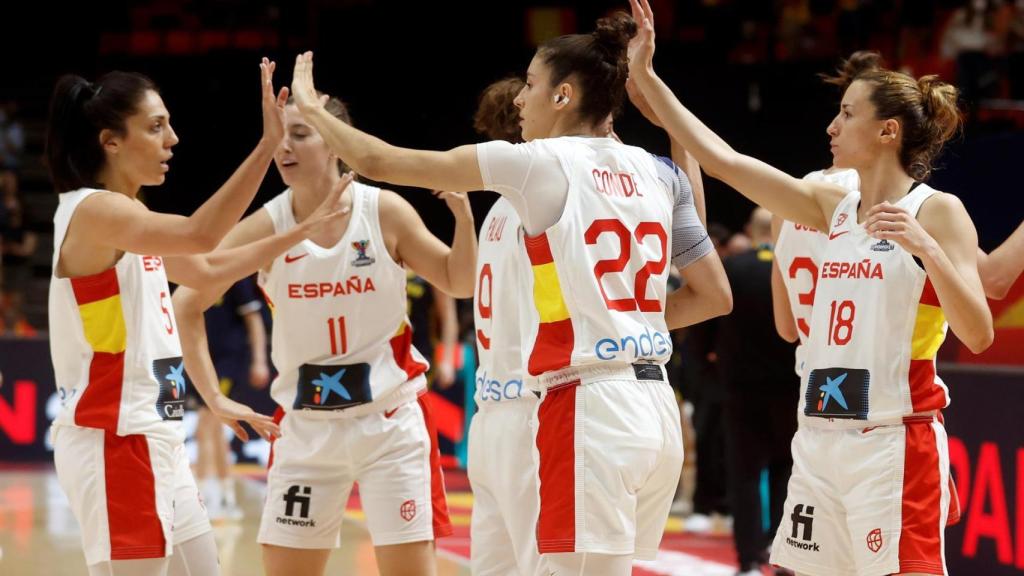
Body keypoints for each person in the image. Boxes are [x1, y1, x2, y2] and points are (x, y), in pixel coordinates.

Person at [288, 9, 732, 572]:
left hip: (579, 404)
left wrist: (309, 110)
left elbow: (379, 160)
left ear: (564, 95)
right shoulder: (660, 172)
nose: (521, 99)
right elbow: (713, 293)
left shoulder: (537, 167)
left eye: (530, 84)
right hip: (647, 404)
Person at [627, 1, 994, 574]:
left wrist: (926, 251)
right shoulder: (832, 206)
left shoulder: (938, 211)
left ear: (886, 131)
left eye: (847, 114)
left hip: (892, 442)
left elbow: (977, 333)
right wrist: (650, 79)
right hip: (818, 436)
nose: (831, 126)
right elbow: (723, 161)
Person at [45, 60, 347, 576]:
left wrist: (301, 230)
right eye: (156, 126)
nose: (173, 139)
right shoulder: (94, 211)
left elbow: (207, 268)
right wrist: (264, 144)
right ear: (111, 141)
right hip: (116, 443)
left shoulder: (131, 219)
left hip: (157, 438)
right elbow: (200, 236)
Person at [172, 91, 474, 576]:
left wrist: (464, 222)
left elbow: (458, 280)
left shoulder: (385, 211)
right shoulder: (268, 225)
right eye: (278, 137)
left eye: (299, 134)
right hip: (306, 428)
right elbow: (186, 302)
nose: (283, 148)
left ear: (334, 143)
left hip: (390, 423)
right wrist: (213, 397)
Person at [716, 207, 800, 576]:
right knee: (787, 469)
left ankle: (748, 559)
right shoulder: (797, 267)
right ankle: (781, 549)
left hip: (742, 389)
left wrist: (711, 377)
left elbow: (707, 331)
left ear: (750, 230)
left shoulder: (734, 268)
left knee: (745, 475)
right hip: (792, 386)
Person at [187, 275, 270, 520]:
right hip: (197, 361)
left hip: (226, 363)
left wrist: (260, 360)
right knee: (214, 431)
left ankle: (204, 497)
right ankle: (225, 495)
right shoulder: (184, 272)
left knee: (207, 423)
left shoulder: (232, 274)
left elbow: (253, 318)